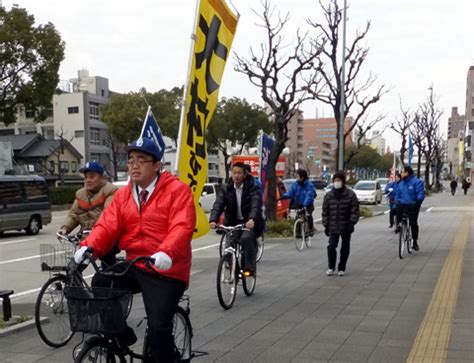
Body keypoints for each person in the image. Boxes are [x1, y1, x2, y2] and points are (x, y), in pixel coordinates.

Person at [74, 137, 196, 363]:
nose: (134, 165)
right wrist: (88, 246)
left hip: (167, 269)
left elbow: (182, 226)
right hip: (136, 263)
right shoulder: (123, 195)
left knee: (159, 327)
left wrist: (167, 252)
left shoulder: (177, 191)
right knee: (101, 282)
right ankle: (122, 335)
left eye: (141, 159)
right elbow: (107, 225)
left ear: (157, 165)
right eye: (130, 160)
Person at [57, 161, 118, 266]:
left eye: (92, 177)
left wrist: (97, 231)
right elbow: (74, 214)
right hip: (86, 237)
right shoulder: (81, 194)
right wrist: (65, 228)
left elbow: (107, 215)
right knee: (74, 267)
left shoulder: (111, 192)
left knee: (107, 269)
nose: (88, 180)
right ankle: (72, 282)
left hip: (106, 237)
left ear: (102, 177)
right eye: (86, 177)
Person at [209, 162, 263, 275]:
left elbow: (255, 204)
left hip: (248, 222)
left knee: (246, 239)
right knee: (228, 246)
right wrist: (213, 219)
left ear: (244, 175)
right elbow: (219, 204)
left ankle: (249, 268)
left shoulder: (252, 187)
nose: (236, 175)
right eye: (234, 173)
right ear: (231, 174)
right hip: (232, 222)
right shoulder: (226, 188)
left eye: (239, 173)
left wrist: (252, 219)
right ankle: (235, 270)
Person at [322, 171, 359, 276]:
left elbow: (355, 210)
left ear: (343, 182)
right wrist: (326, 224)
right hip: (333, 225)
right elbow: (325, 211)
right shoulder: (329, 195)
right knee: (331, 246)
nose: (337, 182)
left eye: (339, 180)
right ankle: (331, 266)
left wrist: (352, 222)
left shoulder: (350, 194)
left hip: (346, 225)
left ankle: (342, 267)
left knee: (345, 247)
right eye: (335, 180)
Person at [395, 166, 425, 251]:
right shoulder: (401, 183)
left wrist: (418, 201)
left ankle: (415, 241)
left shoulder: (417, 182)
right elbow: (397, 193)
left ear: (407, 173)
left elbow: (420, 193)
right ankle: (399, 227)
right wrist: (397, 200)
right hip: (402, 204)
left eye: (402, 172)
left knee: (413, 223)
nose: (401, 173)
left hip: (413, 205)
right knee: (398, 214)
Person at [280, 169, 316, 235]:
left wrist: (305, 204)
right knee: (298, 216)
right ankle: (298, 232)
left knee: (309, 215)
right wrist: (283, 196)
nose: (296, 177)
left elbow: (309, 196)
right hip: (299, 203)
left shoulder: (309, 185)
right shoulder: (295, 184)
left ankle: (311, 229)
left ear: (302, 177)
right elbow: (290, 193)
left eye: (298, 176)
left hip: (308, 204)